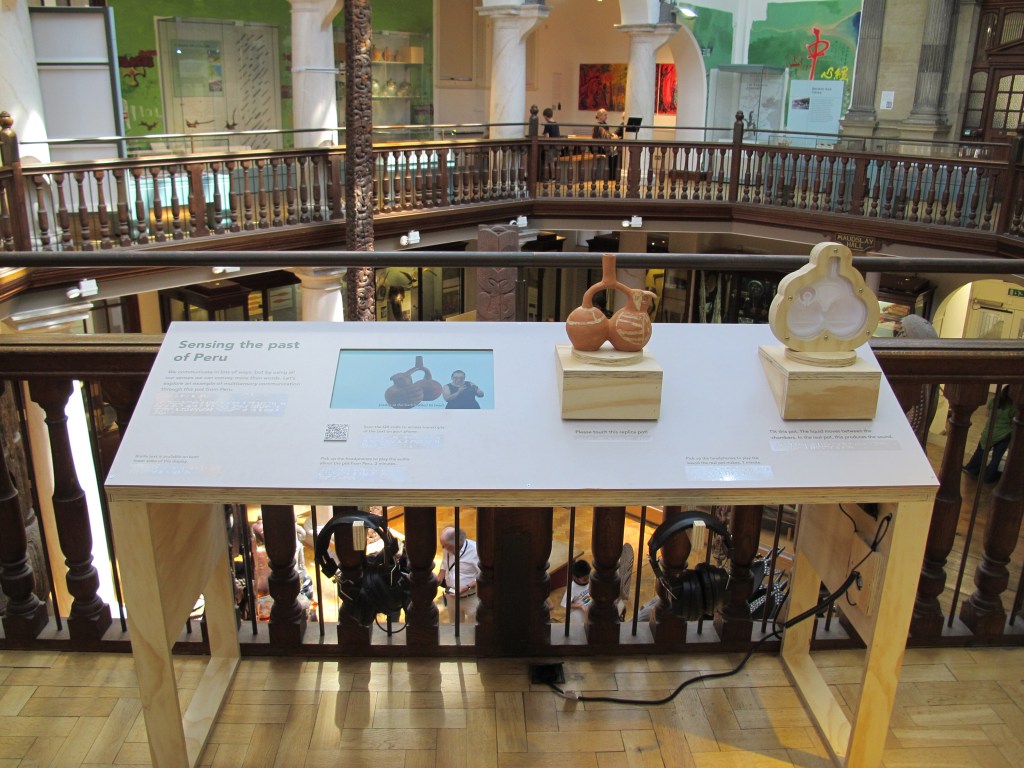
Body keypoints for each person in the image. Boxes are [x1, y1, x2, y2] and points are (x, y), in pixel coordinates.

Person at [963, 386, 1015, 483]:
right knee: (996, 457)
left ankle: (972, 469)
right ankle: (988, 477)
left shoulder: (994, 401)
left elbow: (987, 414)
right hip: (1004, 434)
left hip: (990, 431)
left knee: (981, 452)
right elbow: (1014, 421)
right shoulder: (1014, 407)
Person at [438, 526, 480, 624]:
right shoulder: (447, 548)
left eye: (445, 546)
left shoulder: (476, 551)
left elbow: (484, 577)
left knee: (471, 631)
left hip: (471, 599)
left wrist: (466, 587)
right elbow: (444, 565)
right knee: (454, 627)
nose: (443, 548)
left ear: (456, 544)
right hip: (451, 597)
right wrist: (439, 578)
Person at [592, 108, 623, 180]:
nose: (606, 117)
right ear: (600, 116)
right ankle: (611, 177)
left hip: (604, 146)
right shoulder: (598, 125)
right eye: (605, 115)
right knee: (614, 155)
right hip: (599, 147)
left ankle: (613, 176)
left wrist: (612, 136)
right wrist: (613, 137)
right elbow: (605, 136)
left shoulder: (603, 124)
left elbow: (607, 135)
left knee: (616, 154)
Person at [561, 559, 592, 624]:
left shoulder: (590, 579)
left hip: (590, 608)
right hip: (579, 612)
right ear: (575, 577)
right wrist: (581, 606)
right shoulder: (572, 588)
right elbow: (566, 604)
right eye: (584, 579)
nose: (587, 579)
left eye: (588, 577)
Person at [541, 107, 561, 181]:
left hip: (550, 146)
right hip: (557, 145)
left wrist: (544, 136)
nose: (544, 118)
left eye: (544, 116)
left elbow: (547, 136)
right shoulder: (556, 123)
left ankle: (552, 177)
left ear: (546, 116)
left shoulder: (547, 124)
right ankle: (555, 177)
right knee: (554, 161)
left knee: (551, 162)